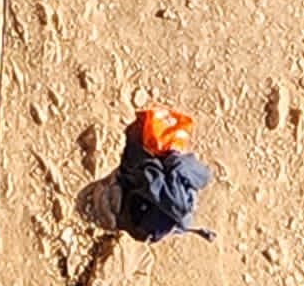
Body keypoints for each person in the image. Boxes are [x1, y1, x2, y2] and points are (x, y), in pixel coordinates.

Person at [80, 107, 216, 258]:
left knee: (142, 173)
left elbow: (151, 178)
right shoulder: (179, 190)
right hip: (143, 223)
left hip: (135, 214)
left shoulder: (168, 180)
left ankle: (110, 207)